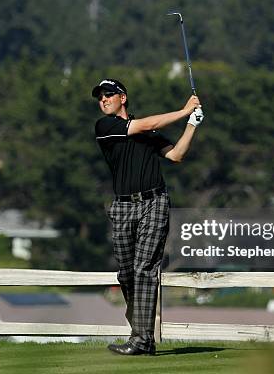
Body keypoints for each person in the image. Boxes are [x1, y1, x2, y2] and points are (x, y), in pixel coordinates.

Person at [93, 78, 203, 355]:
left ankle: (141, 339)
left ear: (123, 98)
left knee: (145, 269)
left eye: (109, 95)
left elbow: (176, 155)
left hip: (154, 202)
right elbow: (144, 125)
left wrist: (192, 124)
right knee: (126, 274)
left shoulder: (147, 131)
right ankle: (142, 331)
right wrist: (183, 111)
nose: (103, 100)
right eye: (100, 97)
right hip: (123, 207)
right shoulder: (105, 126)